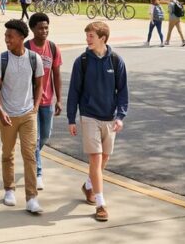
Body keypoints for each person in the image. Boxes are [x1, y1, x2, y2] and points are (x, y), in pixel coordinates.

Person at [67, 21, 129, 223]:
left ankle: (88, 185)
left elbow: (123, 92)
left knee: (105, 159)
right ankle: (101, 204)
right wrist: (71, 118)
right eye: (87, 36)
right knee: (96, 158)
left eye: (91, 36)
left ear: (102, 38)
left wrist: (120, 116)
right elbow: (74, 91)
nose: (87, 40)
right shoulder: (82, 61)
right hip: (89, 115)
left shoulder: (116, 60)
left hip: (110, 117)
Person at [0, 19, 45, 215]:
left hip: (28, 113)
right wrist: (0, 110)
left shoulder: (34, 59)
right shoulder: (1, 60)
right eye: (6, 36)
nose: (6, 39)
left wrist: (36, 107)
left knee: (30, 154)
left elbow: (39, 84)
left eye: (10, 36)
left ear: (22, 37)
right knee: (8, 153)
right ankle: (9, 190)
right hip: (8, 115)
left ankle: (31, 198)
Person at [25, 13, 61, 191]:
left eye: (46, 27)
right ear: (32, 29)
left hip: (47, 100)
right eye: (40, 28)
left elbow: (56, 74)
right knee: (36, 137)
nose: (44, 31)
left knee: (45, 135)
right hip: (29, 102)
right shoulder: (26, 48)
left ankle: (30, 154)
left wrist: (59, 99)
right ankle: (38, 173)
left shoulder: (53, 48)